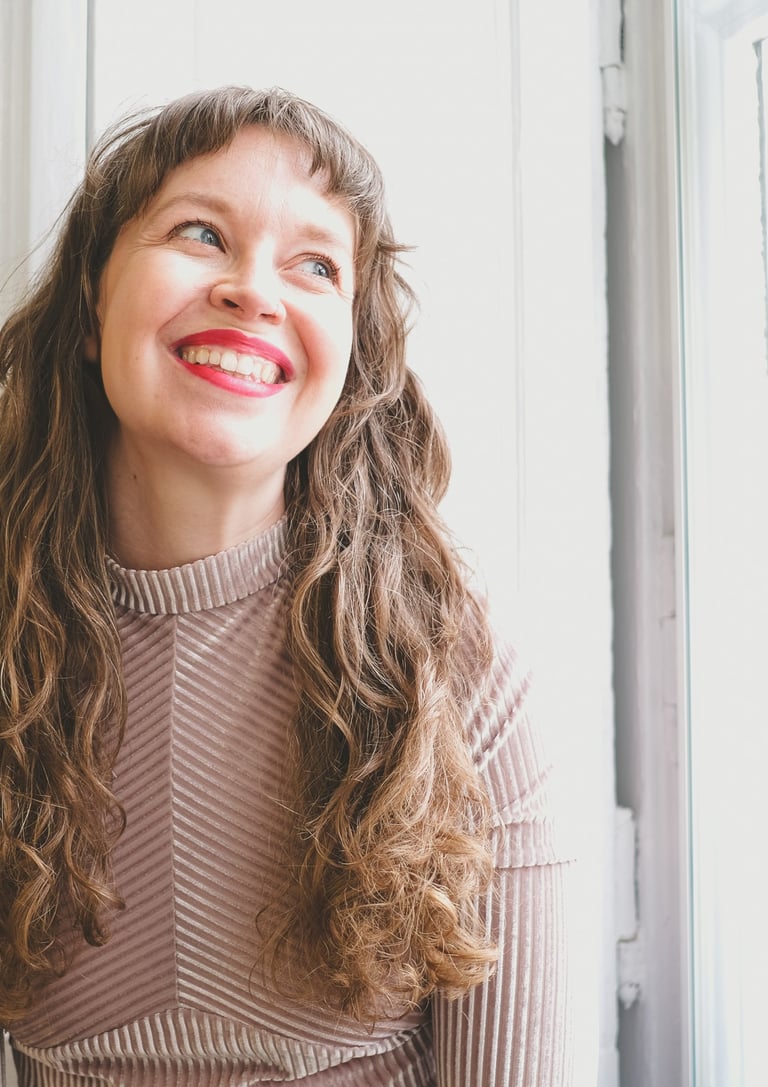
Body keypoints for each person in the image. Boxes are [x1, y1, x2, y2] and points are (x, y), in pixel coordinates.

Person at [0, 86, 571, 1086]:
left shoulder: (458, 669)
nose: (254, 288)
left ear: (350, 363)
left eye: (315, 263)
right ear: (91, 309)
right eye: (199, 233)